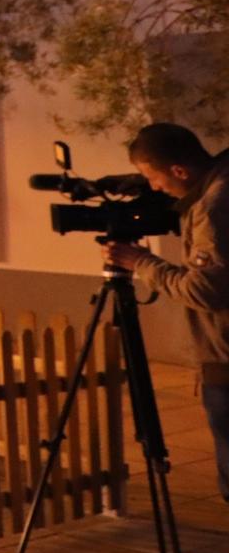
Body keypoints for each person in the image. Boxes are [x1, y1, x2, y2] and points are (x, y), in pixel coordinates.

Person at [105, 123, 229, 502]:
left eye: (152, 177)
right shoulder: (218, 180)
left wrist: (141, 262)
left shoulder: (214, 206)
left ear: (178, 170)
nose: (154, 188)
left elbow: (204, 288)